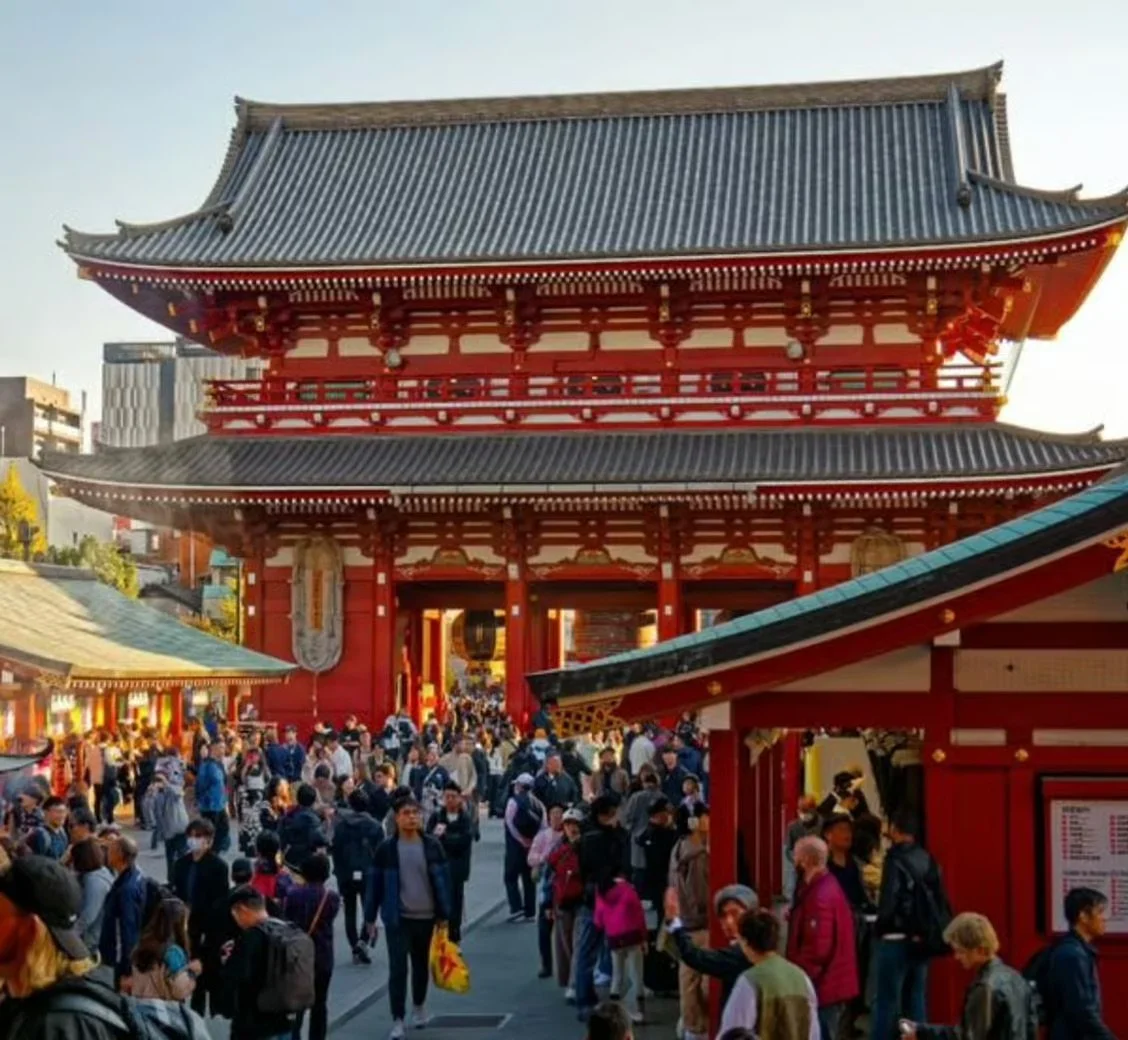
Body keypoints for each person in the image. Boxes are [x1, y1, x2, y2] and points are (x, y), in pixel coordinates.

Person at [364, 797, 453, 1040]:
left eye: (416, 813)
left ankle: (419, 1005)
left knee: (421, 965)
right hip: (398, 918)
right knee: (398, 969)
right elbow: (374, 885)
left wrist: (446, 915)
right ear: (397, 817)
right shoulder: (386, 849)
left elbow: (445, 882)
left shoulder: (432, 846)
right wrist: (369, 919)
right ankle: (398, 1019)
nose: (412, 817)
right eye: (406, 813)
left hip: (426, 917)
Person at [872, 811, 951, 1040]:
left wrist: (879, 928)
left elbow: (889, 903)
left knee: (887, 1000)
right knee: (916, 997)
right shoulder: (927, 858)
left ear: (895, 829)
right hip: (922, 938)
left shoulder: (895, 859)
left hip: (895, 938)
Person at [902, 912, 1034, 1040]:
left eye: (961, 951)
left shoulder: (985, 988)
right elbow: (1031, 1027)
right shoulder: (1016, 978)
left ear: (979, 949)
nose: (957, 957)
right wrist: (922, 1031)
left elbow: (967, 1036)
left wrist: (922, 1033)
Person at [788, 836, 858, 1040]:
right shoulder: (825, 887)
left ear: (807, 860)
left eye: (797, 857)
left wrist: (799, 977)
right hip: (832, 981)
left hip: (824, 985)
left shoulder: (819, 896)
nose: (794, 862)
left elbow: (818, 948)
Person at [718, 909, 819, 1040]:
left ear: (745, 942)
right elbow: (814, 1033)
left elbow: (732, 1032)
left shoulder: (750, 981)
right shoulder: (801, 977)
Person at [576, 795, 630, 1021]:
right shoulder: (599, 838)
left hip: (598, 898)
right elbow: (602, 868)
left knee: (590, 950)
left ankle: (588, 997)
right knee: (592, 950)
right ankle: (586, 999)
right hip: (602, 898)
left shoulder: (593, 835)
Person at [171, 817, 231, 1016]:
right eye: (191, 836)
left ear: (209, 841)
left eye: (199, 837)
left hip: (205, 927)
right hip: (182, 925)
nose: (194, 840)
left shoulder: (218, 867)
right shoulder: (181, 864)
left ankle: (198, 1013)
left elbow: (220, 903)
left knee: (201, 974)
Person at [664, 883, 759, 1008]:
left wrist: (675, 923)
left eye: (735, 913)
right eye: (723, 916)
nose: (729, 922)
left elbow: (694, 956)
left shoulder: (742, 954)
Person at [225, 886, 301, 1040]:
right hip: (285, 1020)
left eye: (235, 914)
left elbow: (236, 979)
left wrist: (228, 960)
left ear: (243, 909)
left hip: (256, 1026)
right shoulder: (288, 929)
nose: (237, 920)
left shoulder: (251, 938)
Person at [279, 853, 339, 1040]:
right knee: (319, 1003)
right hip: (322, 955)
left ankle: (294, 1035)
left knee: (296, 1002)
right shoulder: (331, 897)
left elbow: (286, 920)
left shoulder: (293, 894)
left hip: (297, 955)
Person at [1042, 887, 1116, 1040]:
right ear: (1083, 916)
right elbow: (1081, 1009)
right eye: (1100, 912)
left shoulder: (1076, 951)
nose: (1105, 918)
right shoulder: (1072, 955)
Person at [668, 802, 711, 1040]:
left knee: (688, 979)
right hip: (699, 924)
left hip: (683, 922)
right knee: (699, 981)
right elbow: (700, 895)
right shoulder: (697, 856)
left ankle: (691, 1024)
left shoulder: (678, 849)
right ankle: (697, 1026)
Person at [331, 788, 384, 964]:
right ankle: (363, 942)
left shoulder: (341, 825)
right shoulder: (375, 826)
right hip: (368, 872)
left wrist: (338, 872)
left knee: (350, 911)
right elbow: (380, 853)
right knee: (368, 910)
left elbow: (335, 850)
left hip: (346, 873)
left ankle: (354, 945)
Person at [593, 872, 649, 1024]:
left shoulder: (601, 893)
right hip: (633, 936)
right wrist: (644, 937)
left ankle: (615, 1013)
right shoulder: (627, 890)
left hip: (614, 939)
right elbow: (639, 914)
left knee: (617, 976)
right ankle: (639, 1012)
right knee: (637, 975)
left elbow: (598, 921)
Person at [426, 781, 474, 943]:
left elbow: (463, 841)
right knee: (438, 902)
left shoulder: (465, 819)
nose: (450, 800)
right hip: (438, 868)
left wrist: (445, 838)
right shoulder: (436, 817)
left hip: (457, 869)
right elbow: (430, 840)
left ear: (460, 798)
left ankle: (454, 935)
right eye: (447, 796)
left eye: (453, 796)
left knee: (455, 903)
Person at [98, 835, 148, 989]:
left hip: (122, 956)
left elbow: (127, 928)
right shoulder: (135, 875)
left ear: (120, 855)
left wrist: (127, 968)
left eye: (110, 850)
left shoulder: (126, 889)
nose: (107, 854)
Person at [130, 895, 201, 1003]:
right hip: (162, 1008)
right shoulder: (173, 952)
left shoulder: (143, 944)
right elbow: (179, 990)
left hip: (139, 1003)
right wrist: (192, 972)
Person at [503, 772, 545, 923]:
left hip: (515, 846)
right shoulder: (539, 804)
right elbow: (543, 826)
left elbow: (509, 823)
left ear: (519, 786)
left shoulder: (513, 802)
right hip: (531, 846)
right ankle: (530, 911)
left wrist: (521, 839)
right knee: (529, 879)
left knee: (510, 876)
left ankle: (516, 908)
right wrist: (534, 842)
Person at [72, 838, 114, 956]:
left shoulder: (94, 882)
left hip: (94, 937)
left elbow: (88, 916)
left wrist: (71, 936)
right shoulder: (101, 871)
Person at [279, 783, 329, 870]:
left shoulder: (288, 815)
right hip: (306, 861)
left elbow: (280, 836)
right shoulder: (313, 819)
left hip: (289, 858)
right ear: (313, 801)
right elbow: (320, 840)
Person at [194, 740, 231, 854]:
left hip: (220, 804)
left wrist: (226, 801)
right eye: (221, 747)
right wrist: (201, 801)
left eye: (224, 748)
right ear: (213, 748)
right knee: (210, 834)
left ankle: (215, 853)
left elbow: (225, 783)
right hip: (209, 806)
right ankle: (210, 854)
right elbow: (200, 785)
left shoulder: (220, 764)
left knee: (223, 830)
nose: (223, 750)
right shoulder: (206, 765)